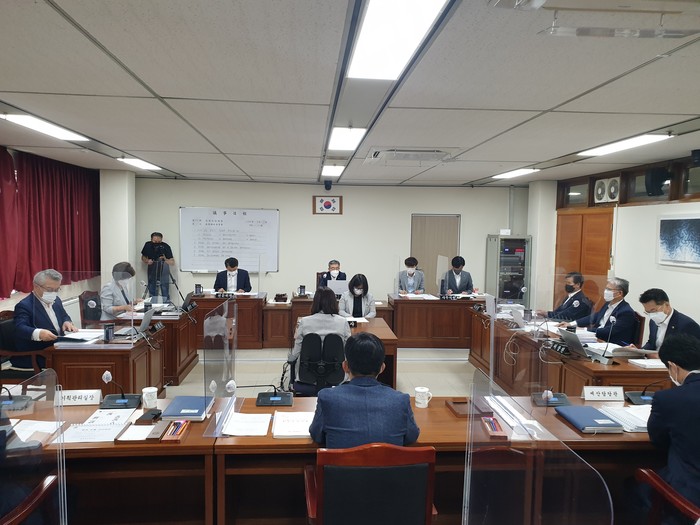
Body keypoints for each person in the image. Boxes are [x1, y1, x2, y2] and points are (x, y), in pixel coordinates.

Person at [309, 332, 420, 449]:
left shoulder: (327, 397)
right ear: (382, 368)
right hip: (387, 461)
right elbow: (411, 437)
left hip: (343, 462)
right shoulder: (400, 400)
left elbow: (317, 436)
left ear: (345, 366)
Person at [645, 334, 700, 515]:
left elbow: (658, 440)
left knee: (632, 487)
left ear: (673, 366)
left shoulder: (668, 399)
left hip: (688, 498)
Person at [12, 269, 78, 369]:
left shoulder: (56, 300)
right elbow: (19, 328)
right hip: (38, 354)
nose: (54, 293)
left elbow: (64, 315)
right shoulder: (25, 306)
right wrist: (39, 333)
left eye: (57, 289)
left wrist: (67, 322)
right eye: (50, 290)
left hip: (58, 348)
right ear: (36, 286)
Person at [287, 287, 351, 381]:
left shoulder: (304, 322)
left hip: (307, 375)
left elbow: (296, 351)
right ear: (334, 302)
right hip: (337, 376)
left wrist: (291, 359)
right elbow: (348, 350)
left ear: (315, 303)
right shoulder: (342, 322)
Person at [564, 277, 636, 346]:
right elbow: (595, 316)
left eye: (609, 289)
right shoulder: (608, 304)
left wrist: (584, 330)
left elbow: (610, 331)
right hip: (597, 338)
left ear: (619, 293)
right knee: (568, 339)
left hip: (609, 343)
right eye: (606, 288)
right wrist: (571, 324)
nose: (605, 291)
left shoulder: (626, 312)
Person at [637, 288, 700, 355]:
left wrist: (662, 357)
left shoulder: (687, 325)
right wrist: (639, 351)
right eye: (648, 312)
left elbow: (692, 354)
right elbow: (651, 343)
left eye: (653, 310)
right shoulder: (653, 322)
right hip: (653, 360)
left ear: (667, 305)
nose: (651, 315)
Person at [140, 232, 175, 301]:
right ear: (151, 239)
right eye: (155, 241)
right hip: (152, 269)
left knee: (165, 290)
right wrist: (147, 261)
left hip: (164, 270)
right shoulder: (148, 245)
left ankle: (166, 305)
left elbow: (172, 262)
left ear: (161, 239)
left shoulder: (165, 246)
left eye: (159, 242)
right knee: (152, 290)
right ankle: (153, 305)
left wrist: (165, 259)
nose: (157, 243)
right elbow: (143, 257)